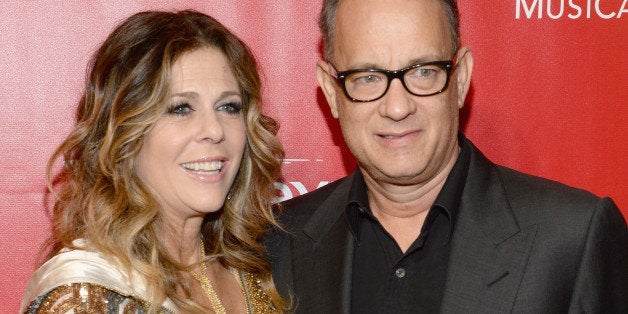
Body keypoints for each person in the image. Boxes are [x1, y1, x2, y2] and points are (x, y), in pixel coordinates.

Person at [265, 0, 628, 313]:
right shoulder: (278, 243)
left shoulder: (572, 239)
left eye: (423, 72)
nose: (397, 107)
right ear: (331, 90)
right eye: (368, 77)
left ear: (461, 78)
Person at [21, 10, 288, 313]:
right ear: (125, 132)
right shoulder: (85, 295)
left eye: (228, 106)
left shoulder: (250, 268)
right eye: (180, 109)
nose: (214, 130)